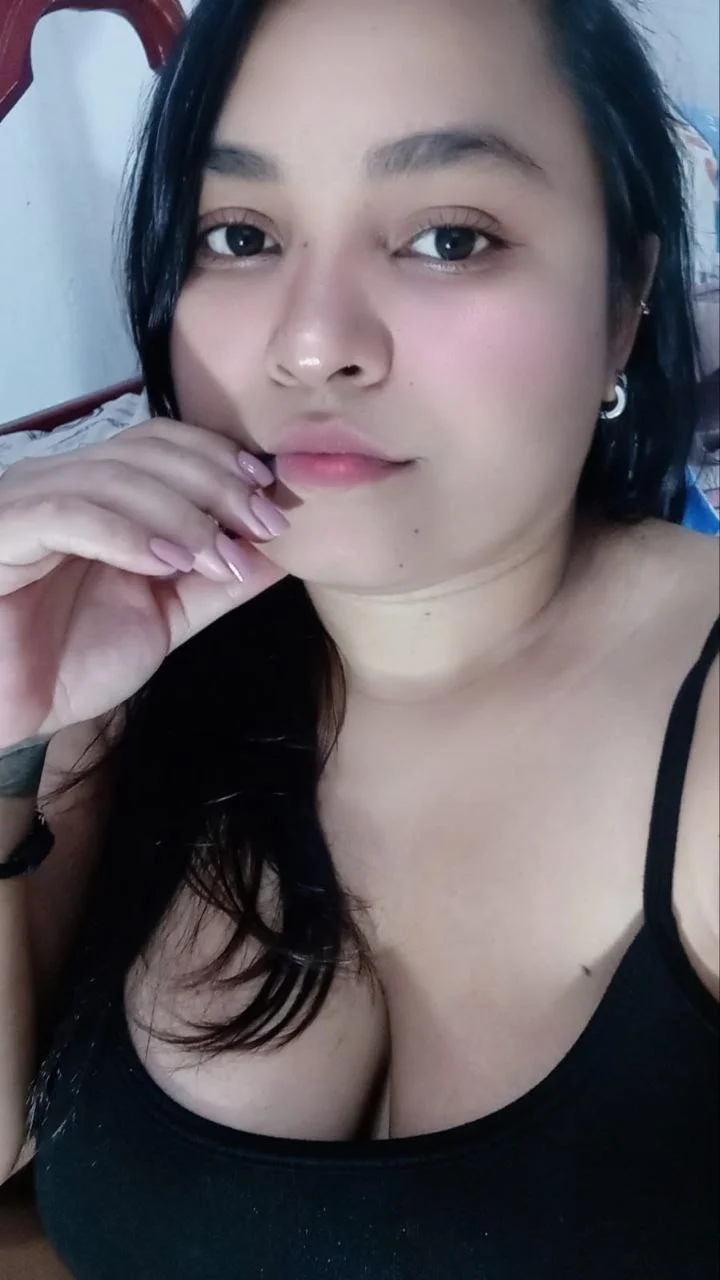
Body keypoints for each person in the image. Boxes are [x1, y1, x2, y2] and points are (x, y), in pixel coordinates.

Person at [0, 0, 717, 1274]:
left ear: (625, 300)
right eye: (240, 236)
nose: (312, 343)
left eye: (449, 237)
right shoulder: (132, 659)